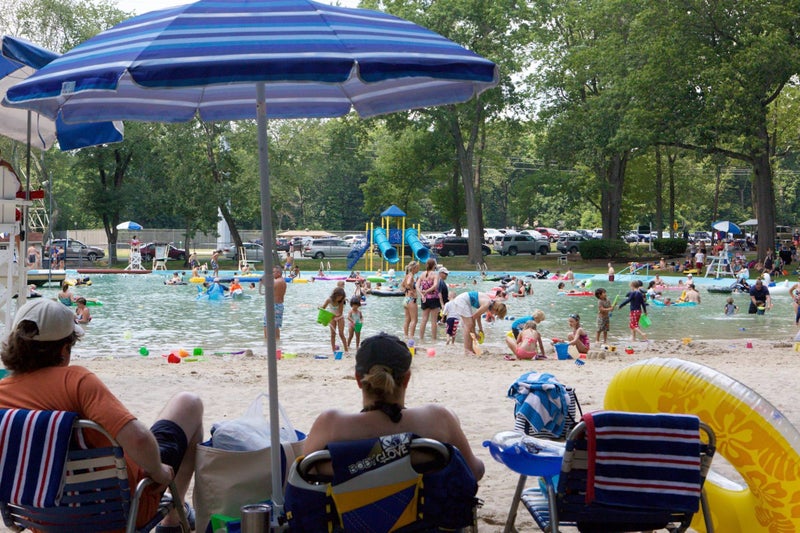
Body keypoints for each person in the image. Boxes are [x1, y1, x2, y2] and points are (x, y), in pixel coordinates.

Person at [0, 299, 203, 531]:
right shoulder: (75, 381)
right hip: (122, 511)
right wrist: (159, 472)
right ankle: (172, 520)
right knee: (189, 403)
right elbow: (137, 439)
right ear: (64, 349)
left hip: (40, 517)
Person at [303, 333, 484, 481]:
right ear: (406, 379)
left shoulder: (330, 425)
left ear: (358, 379)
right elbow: (474, 472)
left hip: (348, 525)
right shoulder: (439, 419)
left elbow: (300, 479)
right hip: (425, 524)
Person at [416, 258, 443, 342]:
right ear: (434, 265)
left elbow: (416, 286)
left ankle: (421, 338)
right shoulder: (435, 275)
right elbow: (435, 286)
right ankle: (434, 339)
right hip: (434, 298)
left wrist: (422, 293)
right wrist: (427, 291)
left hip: (424, 299)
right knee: (434, 321)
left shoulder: (422, 274)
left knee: (424, 319)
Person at [260, 266, 287, 340]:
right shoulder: (282, 281)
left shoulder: (276, 281)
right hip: (279, 305)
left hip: (273, 306)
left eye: (273, 272)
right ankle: (278, 344)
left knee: (267, 325)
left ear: (278, 273)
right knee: (276, 326)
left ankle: (267, 343)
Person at [320, 286, 347, 353]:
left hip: (339, 317)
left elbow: (340, 313)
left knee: (341, 334)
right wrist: (320, 308)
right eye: (339, 296)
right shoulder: (329, 300)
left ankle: (346, 350)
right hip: (331, 317)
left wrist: (333, 316)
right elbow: (323, 308)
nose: (340, 298)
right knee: (332, 334)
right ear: (335, 295)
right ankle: (333, 350)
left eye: (341, 297)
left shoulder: (341, 301)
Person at [401, 261, 419, 341]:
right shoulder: (411, 276)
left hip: (406, 299)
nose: (418, 269)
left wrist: (407, 290)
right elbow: (408, 283)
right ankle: (411, 337)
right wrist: (412, 290)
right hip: (411, 300)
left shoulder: (407, 275)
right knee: (414, 320)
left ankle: (405, 336)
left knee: (407, 319)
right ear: (414, 268)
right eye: (417, 268)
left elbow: (402, 286)